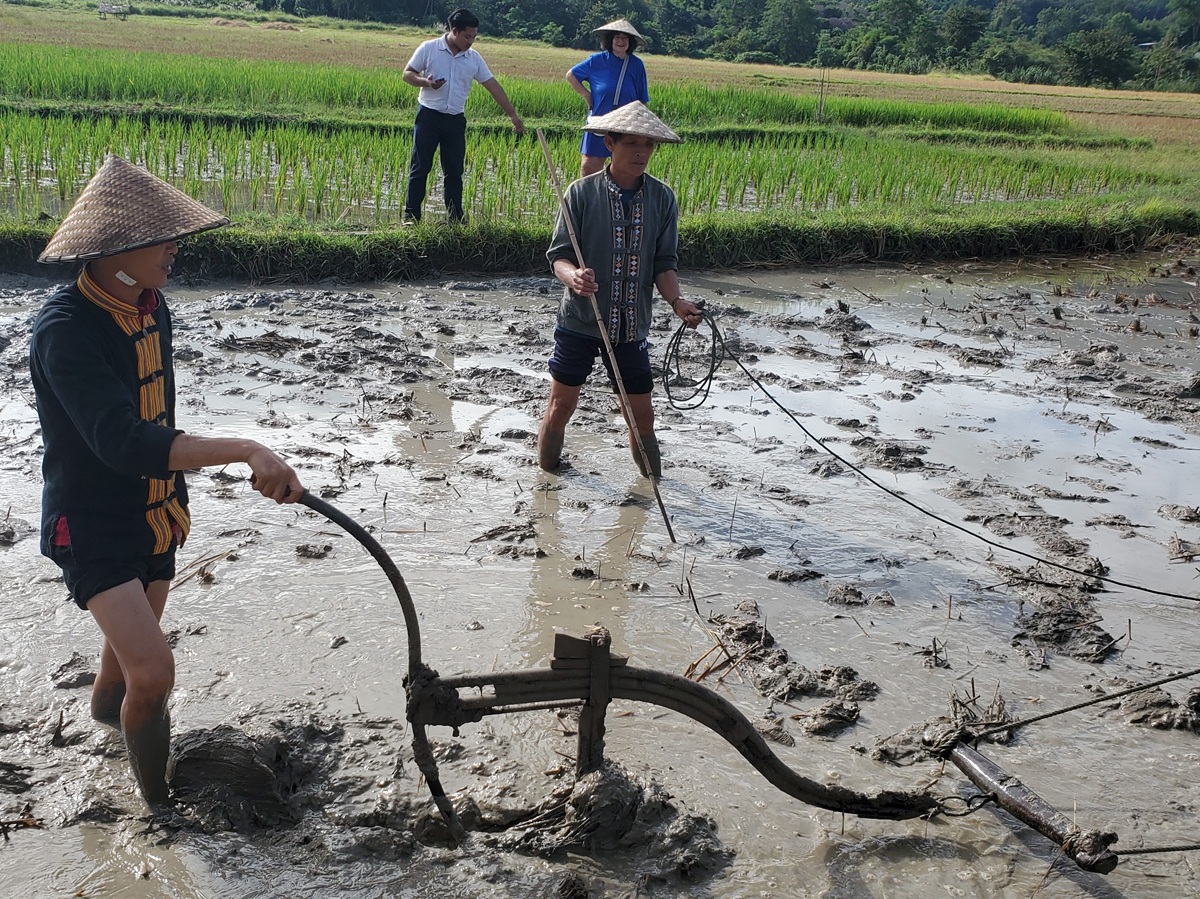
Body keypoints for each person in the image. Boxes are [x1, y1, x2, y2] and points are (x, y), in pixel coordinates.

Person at [30, 155, 305, 807]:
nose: (175, 249)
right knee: (154, 670)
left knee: (123, 680)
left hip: (154, 512)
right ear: (113, 249)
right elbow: (121, 440)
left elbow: (160, 417)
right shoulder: (65, 331)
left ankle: (106, 739)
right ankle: (158, 812)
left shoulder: (150, 306)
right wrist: (245, 448)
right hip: (94, 521)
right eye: (162, 237)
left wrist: (181, 487)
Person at [538, 102, 703, 479]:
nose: (641, 152)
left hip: (630, 326)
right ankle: (545, 480)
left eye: (648, 144)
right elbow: (559, 256)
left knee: (641, 414)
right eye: (631, 143)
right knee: (562, 405)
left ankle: (653, 484)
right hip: (580, 320)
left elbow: (664, 262)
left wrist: (677, 302)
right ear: (609, 143)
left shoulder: (662, 199)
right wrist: (573, 277)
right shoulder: (580, 193)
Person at [402, 8, 525, 223]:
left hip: (455, 120)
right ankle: (411, 217)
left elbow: (492, 86)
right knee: (421, 167)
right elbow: (407, 74)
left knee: (454, 171)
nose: (471, 41)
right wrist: (426, 83)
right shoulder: (429, 48)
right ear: (454, 31)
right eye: (467, 36)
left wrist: (513, 115)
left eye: (474, 37)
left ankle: (455, 219)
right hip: (428, 117)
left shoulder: (473, 58)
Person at [567, 18, 650, 180]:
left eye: (625, 37)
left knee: (623, 168)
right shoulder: (596, 61)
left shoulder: (636, 65)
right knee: (589, 166)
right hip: (600, 120)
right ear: (610, 40)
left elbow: (642, 99)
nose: (620, 41)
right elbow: (571, 76)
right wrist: (587, 96)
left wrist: (643, 127)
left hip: (626, 124)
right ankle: (587, 201)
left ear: (630, 42)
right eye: (616, 37)